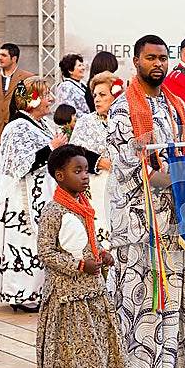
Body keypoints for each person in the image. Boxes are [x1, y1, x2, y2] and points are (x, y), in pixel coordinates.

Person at [106, 34, 185, 368]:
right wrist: (175, 172)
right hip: (139, 217)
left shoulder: (174, 104)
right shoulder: (124, 107)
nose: (158, 64)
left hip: (175, 215)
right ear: (136, 61)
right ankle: (134, 365)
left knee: (178, 285)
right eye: (151, 58)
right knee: (141, 290)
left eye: (163, 58)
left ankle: (175, 359)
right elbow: (129, 163)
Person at [36, 144, 134, 368]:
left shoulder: (83, 205)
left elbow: (86, 242)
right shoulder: (53, 210)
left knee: (99, 342)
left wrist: (102, 254)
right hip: (68, 295)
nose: (85, 176)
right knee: (77, 345)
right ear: (59, 175)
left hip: (92, 288)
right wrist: (80, 266)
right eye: (77, 171)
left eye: (86, 170)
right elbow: (45, 253)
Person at [0, 76, 68, 312]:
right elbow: (22, 163)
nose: (50, 100)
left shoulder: (42, 124)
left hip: (40, 194)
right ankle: (22, 293)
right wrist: (52, 148)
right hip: (21, 200)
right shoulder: (17, 127)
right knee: (24, 243)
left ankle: (37, 291)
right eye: (46, 95)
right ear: (32, 100)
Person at [70, 71, 124, 249]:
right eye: (95, 95)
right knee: (101, 229)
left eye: (102, 94)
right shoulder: (86, 122)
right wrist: (100, 162)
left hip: (123, 184)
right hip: (97, 184)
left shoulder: (127, 120)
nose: (97, 99)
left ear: (115, 95)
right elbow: (75, 152)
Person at [0, 43, 33, 156]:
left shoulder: (27, 78)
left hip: (15, 132)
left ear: (14, 59)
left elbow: (30, 103)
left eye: (4, 55)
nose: (0, 58)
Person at [56, 53, 90, 118]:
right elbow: (67, 110)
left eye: (83, 65)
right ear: (70, 70)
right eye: (79, 65)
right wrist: (90, 117)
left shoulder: (84, 85)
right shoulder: (65, 87)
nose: (83, 68)